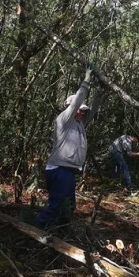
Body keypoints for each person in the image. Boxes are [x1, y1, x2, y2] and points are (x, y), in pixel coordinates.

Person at [37, 66, 100, 227]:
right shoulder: (64, 120)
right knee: (57, 204)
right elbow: (76, 102)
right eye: (79, 110)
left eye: (83, 111)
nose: (82, 113)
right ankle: (38, 230)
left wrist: (101, 91)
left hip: (67, 171)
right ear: (70, 108)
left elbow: (92, 112)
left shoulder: (79, 124)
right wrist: (86, 80)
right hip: (58, 169)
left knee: (69, 206)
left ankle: (59, 231)